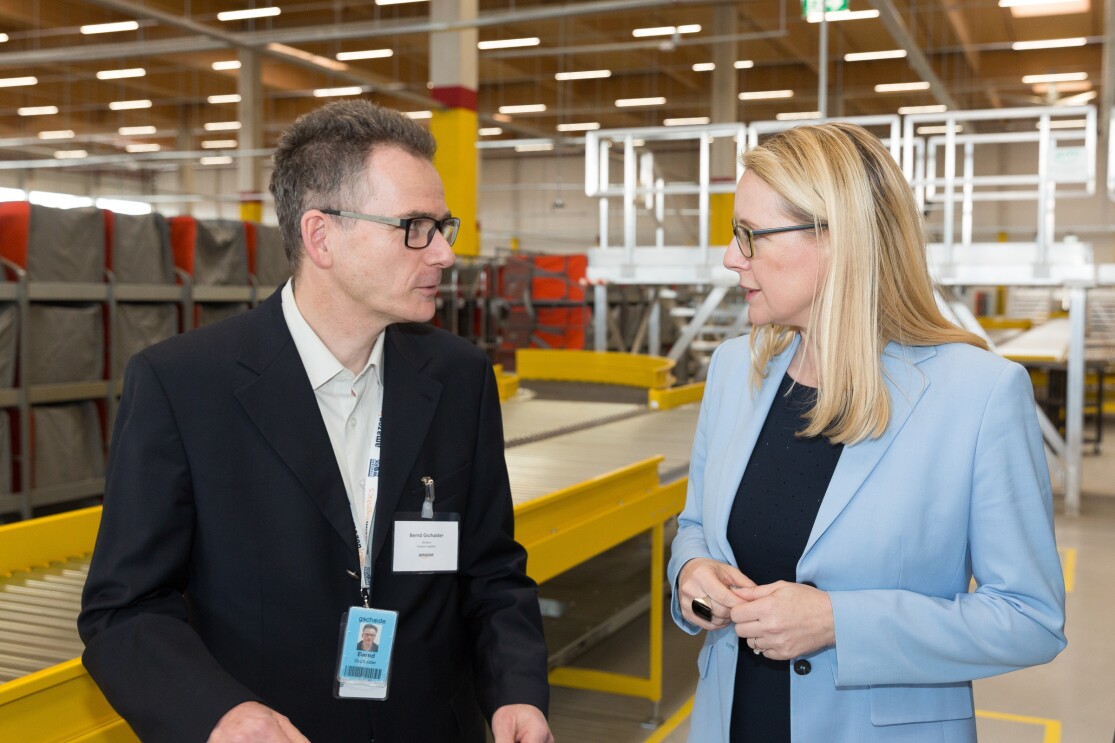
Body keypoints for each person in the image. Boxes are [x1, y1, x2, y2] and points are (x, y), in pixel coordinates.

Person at [79, 100, 552, 743]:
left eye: (445, 226)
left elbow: (491, 571)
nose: (442, 253)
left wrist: (516, 691)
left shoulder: (458, 377)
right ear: (321, 236)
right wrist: (218, 714)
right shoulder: (185, 386)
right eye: (415, 226)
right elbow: (124, 610)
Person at [668, 122, 1066, 742]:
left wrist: (840, 623)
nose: (729, 257)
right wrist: (691, 573)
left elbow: (1029, 619)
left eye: (749, 234)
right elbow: (695, 525)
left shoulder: (978, 395)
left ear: (838, 241)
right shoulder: (733, 372)